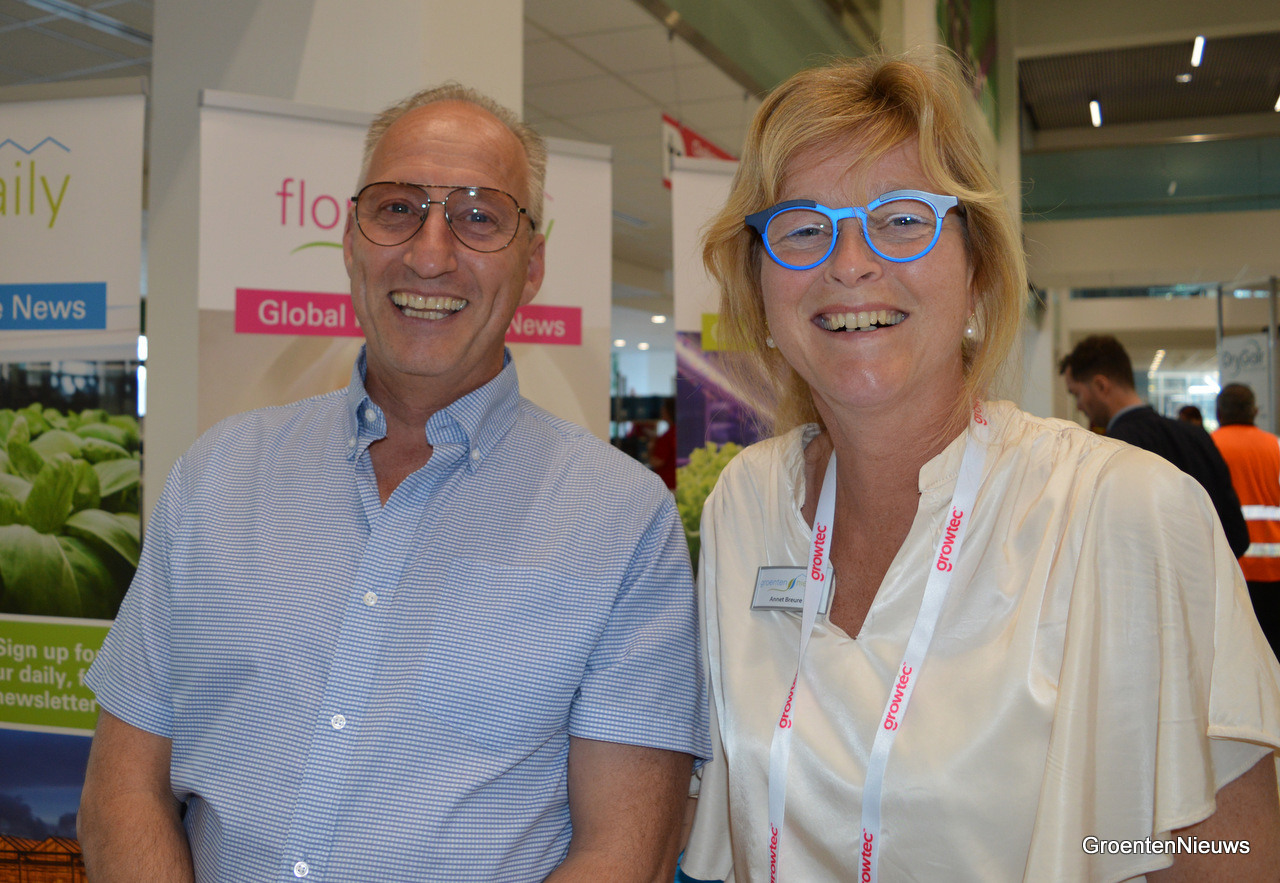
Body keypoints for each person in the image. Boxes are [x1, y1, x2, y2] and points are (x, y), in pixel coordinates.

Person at [77, 83, 709, 882]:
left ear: (533, 265)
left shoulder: (623, 521)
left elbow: (623, 852)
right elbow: (122, 788)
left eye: (478, 216)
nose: (430, 254)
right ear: (350, 241)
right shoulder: (218, 474)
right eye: (397, 208)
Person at [678, 52, 1280, 882]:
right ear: (759, 284)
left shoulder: (1122, 512)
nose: (848, 262)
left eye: (901, 219)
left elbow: (1225, 850)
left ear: (978, 271)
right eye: (804, 227)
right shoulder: (747, 505)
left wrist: (1091, 848)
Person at [1059, 334, 1250, 559]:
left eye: (1077, 394)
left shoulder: (1109, 451)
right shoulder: (1197, 437)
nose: (1079, 406)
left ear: (1101, 385)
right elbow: (1237, 536)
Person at [1214, 382, 1280, 659]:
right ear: (1254, 411)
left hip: (1230, 567)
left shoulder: (1210, 446)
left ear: (1219, 413)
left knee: (1238, 656)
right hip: (1274, 570)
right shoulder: (1275, 446)